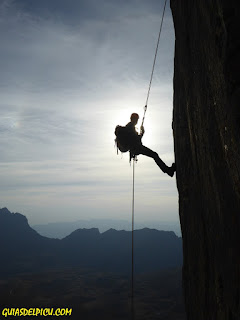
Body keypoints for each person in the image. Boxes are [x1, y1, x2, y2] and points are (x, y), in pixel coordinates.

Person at [125, 113, 176, 177]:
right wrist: (142, 133)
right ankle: (168, 171)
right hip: (137, 148)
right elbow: (136, 139)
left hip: (135, 149)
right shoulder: (131, 127)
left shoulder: (129, 127)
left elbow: (135, 139)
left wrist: (141, 133)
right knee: (154, 155)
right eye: (136, 119)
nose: (137, 121)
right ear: (134, 119)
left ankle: (168, 171)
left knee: (154, 155)